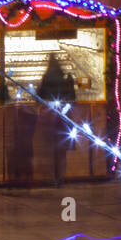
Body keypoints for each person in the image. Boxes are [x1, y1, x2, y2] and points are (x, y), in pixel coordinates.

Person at [36, 57, 77, 186]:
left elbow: (39, 97)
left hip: (51, 120)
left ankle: (54, 178)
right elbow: (72, 98)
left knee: (52, 151)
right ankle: (61, 178)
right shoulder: (66, 81)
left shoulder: (46, 80)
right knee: (62, 152)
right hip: (65, 121)